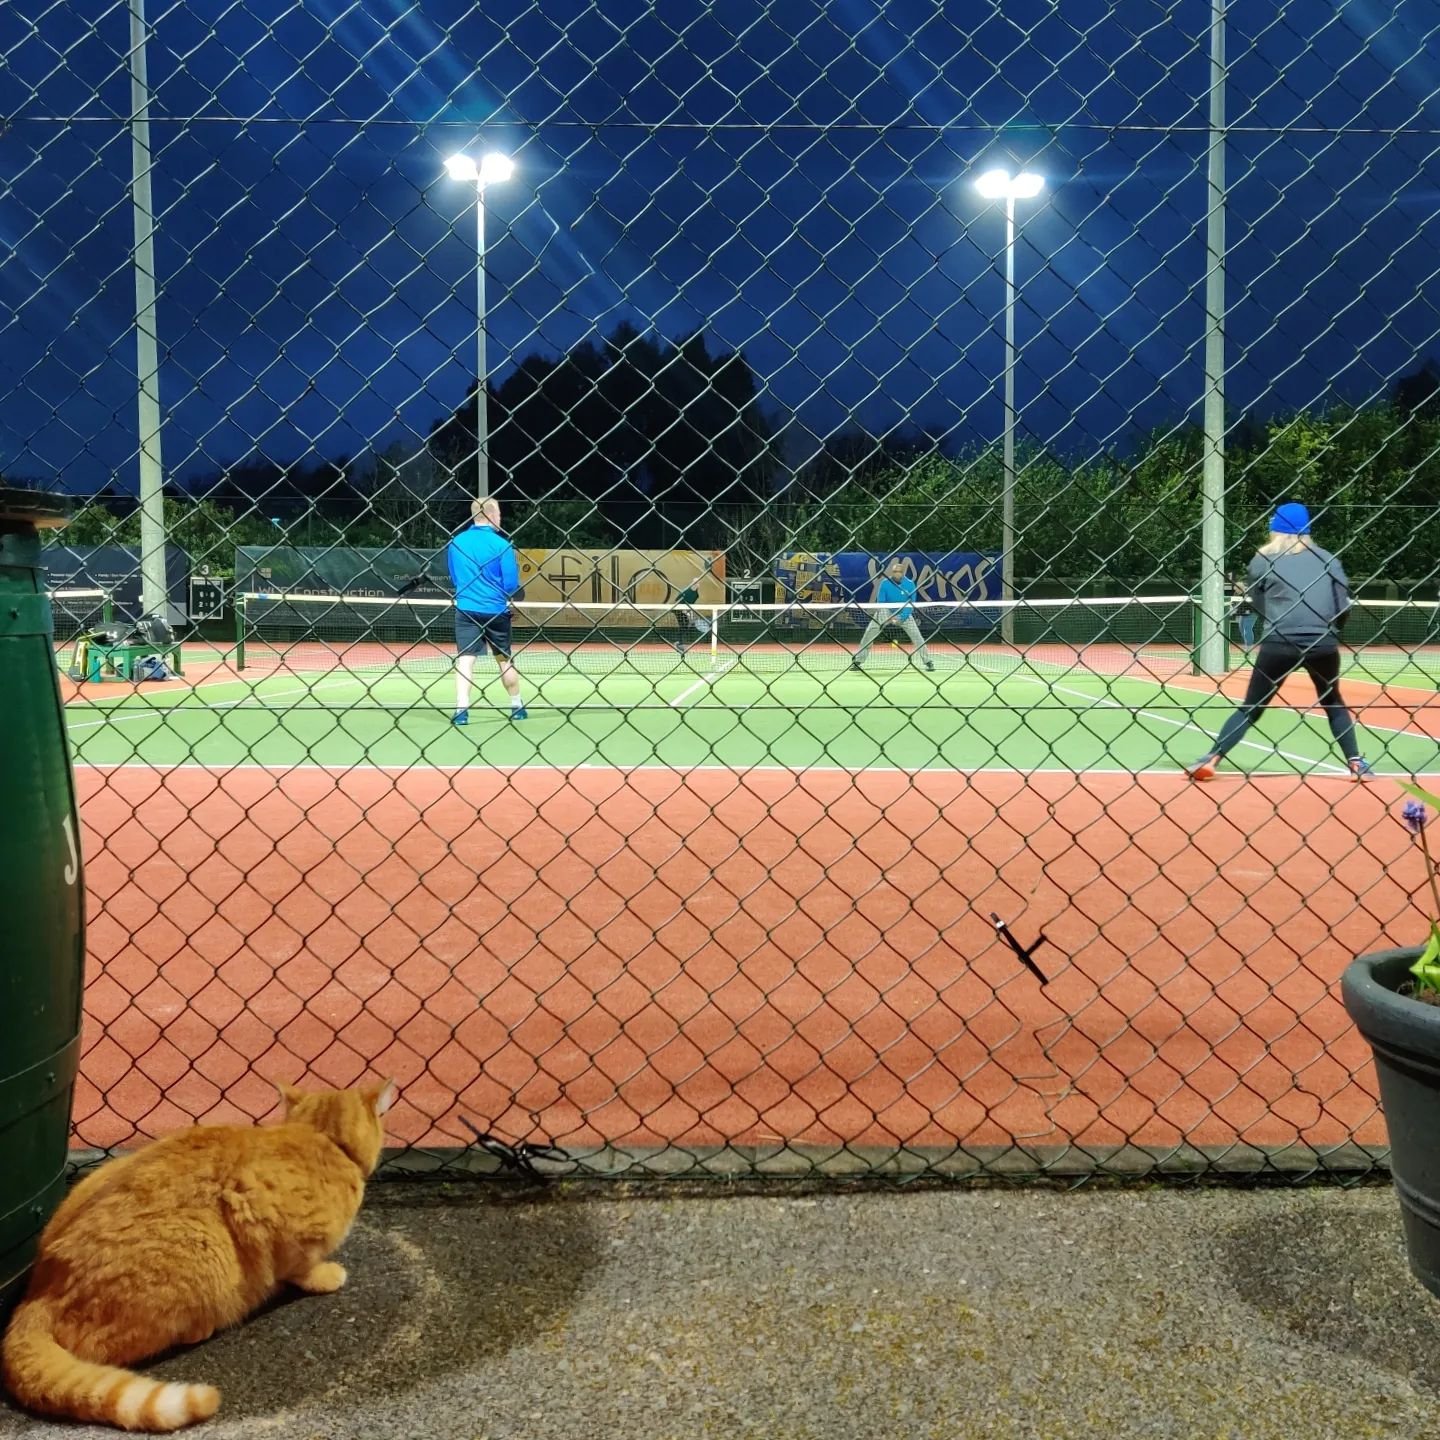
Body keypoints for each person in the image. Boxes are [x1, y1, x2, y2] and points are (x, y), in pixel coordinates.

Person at [1186, 503, 1371, 781]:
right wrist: (1332, 633)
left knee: (1251, 707)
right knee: (1332, 701)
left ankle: (1212, 758)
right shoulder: (1328, 559)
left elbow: (1259, 604)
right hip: (1322, 642)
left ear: (1275, 529)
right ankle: (1356, 763)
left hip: (1279, 642)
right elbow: (1343, 607)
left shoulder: (1263, 560)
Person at [447, 497, 525, 725]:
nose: (500, 518)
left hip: (466, 610)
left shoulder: (456, 542)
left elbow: (454, 577)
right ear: (491, 515)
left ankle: (461, 711)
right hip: (496, 610)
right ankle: (517, 706)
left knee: (465, 661)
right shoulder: (503, 545)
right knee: (504, 660)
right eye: (499, 513)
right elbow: (511, 585)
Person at [852, 558, 936, 672]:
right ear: (892, 572)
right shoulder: (885, 583)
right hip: (885, 611)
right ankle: (858, 661)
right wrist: (890, 616)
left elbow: (911, 604)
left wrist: (901, 617)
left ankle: (928, 661)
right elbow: (881, 601)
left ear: (903, 573)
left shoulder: (910, 584)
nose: (897, 574)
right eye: (895, 572)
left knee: (917, 636)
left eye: (899, 572)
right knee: (869, 633)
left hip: (903, 612)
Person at [673, 568, 713, 656]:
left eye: (698, 583)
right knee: (683, 624)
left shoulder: (696, 594)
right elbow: (677, 601)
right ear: (692, 583)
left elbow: (690, 604)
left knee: (685, 625)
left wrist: (688, 612)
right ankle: (679, 644)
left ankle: (679, 643)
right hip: (677, 609)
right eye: (695, 582)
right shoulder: (686, 592)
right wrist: (683, 610)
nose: (697, 584)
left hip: (685, 610)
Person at [1230, 572, 1256, 649]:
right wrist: (1233, 609)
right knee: (1241, 628)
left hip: (1252, 612)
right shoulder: (1235, 593)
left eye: (1237, 590)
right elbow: (1234, 603)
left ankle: (1249, 646)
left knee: (1247, 628)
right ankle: (1247, 643)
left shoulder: (1248, 592)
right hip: (1243, 612)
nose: (1236, 591)